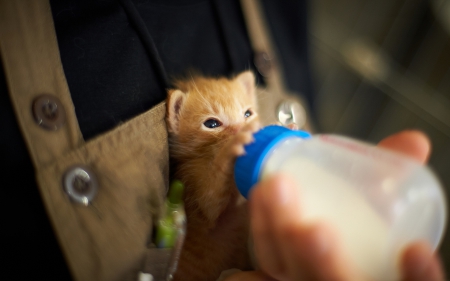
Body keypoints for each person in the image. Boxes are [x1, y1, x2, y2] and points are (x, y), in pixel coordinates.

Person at [0, 0, 444, 280]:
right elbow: (212, 208)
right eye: (213, 124)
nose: (241, 128)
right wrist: (221, 160)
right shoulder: (198, 164)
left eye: (248, 114)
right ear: (176, 119)